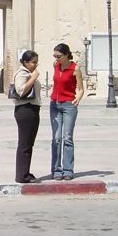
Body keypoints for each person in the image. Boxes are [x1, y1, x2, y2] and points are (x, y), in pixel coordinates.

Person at [50, 43, 84, 181]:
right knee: (56, 138)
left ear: (66, 55)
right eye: (54, 56)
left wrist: (78, 99)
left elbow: (81, 89)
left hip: (69, 105)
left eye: (58, 56)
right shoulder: (56, 65)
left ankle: (68, 170)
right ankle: (56, 170)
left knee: (67, 138)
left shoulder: (75, 68)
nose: (56, 58)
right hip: (54, 105)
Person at [12, 50, 42, 183]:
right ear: (25, 62)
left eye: (36, 62)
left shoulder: (28, 73)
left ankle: (25, 172)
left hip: (32, 109)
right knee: (24, 143)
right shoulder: (22, 73)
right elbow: (21, 90)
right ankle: (22, 176)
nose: (35, 65)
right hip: (26, 109)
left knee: (29, 143)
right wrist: (34, 77)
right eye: (33, 62)